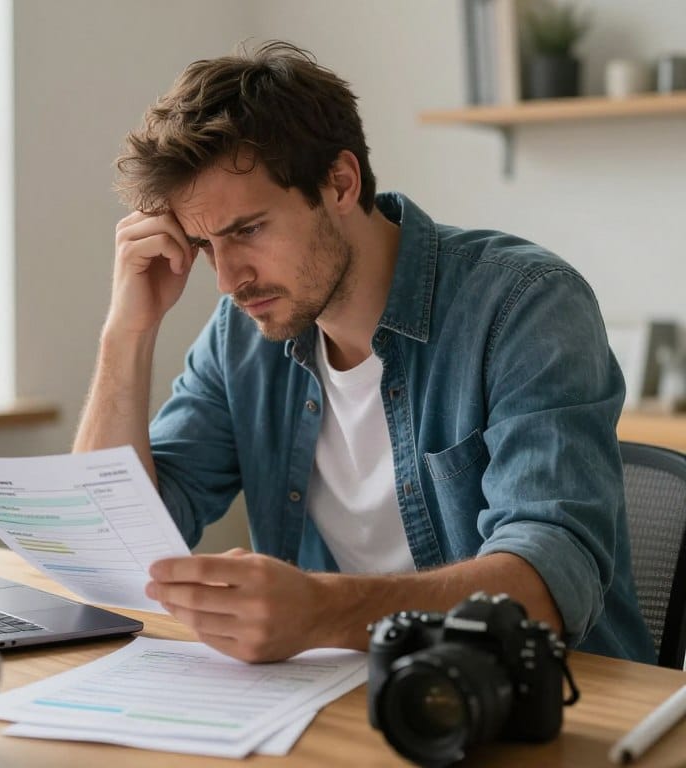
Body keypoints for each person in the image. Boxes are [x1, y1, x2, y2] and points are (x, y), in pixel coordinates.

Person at [73, 41, 655, 665]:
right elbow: (107, 545)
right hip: (346, 697)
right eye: (206, 245)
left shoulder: (525, 306)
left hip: (548, 700)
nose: (229, 279)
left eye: (247, 230)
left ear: (341, 183)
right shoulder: (241, 332)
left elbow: (548, 580)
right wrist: (126, 332)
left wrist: (320, 610)